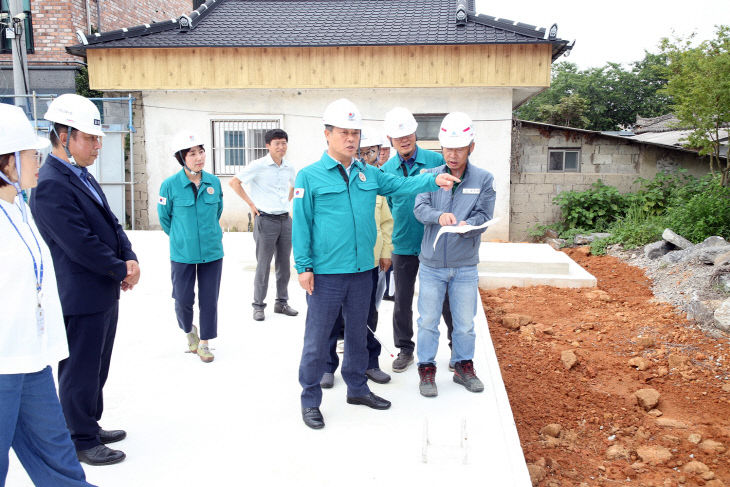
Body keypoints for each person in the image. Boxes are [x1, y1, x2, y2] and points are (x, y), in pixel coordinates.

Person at [293, 98, 459, 429]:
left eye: (355, 133)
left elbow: (400, 184)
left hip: (362, 272)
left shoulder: (370, 174)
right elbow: (301, 223)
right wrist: (304, 266)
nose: (351, 139)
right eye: (343, 132)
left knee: (358, 334)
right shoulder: (309, 177)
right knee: (317, 338)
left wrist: (432, 180)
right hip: (326, 274)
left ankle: (357, 388)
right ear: (327, 134)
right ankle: (310, 400)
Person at [30, 94, 140, 466]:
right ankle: (79, 438)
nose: (97, 145)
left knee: (97, 364)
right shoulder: (50, 184)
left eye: (98, 138)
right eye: (90, 138)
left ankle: (88, 423)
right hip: (81, 293)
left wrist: (130, 256)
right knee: (80, 369)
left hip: (102, 290)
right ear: (63, 136)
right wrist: (118, 268)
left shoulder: (79, 174)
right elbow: (80, 244)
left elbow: (110, 224)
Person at [0, 104, 96, 487]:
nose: (38, 161)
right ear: (5, 160)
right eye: (30, 155)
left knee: (57, 457)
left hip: (31, 358)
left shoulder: (18, 207)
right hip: (3, 361)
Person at [413, 112, 496, 397]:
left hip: (464, 266)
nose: (453, 154)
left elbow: (485, 213)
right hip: (432, 265)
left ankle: (463, 367)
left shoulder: (484, 179)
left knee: (464, 323)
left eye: (459, 148)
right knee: (427, 321)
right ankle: (426, 368)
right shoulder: (428, 176)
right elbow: (420, 209)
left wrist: (468, 225)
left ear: (471, 147)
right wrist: (440, 217)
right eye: (448, 148)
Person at [380, 107, 453, 373]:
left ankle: (456, 346)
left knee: (444, 296)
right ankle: (405, 348)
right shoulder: (386, 169)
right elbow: (389, 205)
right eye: (398, 136)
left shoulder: (436, 162)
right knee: (402, 299)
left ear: (415, 132)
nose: (404, 140)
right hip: (403, 243)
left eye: (408, 133)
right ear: (390, 138)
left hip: (435, 242)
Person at [320, 128, 393, 389]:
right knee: (331, 318)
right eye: (364, 151)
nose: (365, 155)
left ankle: (369, 363)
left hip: (369, 262)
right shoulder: (326, 176)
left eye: (370, 151)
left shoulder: (374, 180)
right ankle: (327, 366)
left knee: (367, 316)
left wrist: (385, 252)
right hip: (335, 264)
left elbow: (386, 221)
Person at [158, 131, 224, 363]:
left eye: (201, 151)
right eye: (192, 153)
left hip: (212, 251)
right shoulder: (169, 186)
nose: (199, 157)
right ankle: (189, 331)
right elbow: (165, 218)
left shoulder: (213, 183)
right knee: (183, 299)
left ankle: (205, 343)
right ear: (182, 158)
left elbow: (217, 212)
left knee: (209, 299)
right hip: (182, 253)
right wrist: (181, 237)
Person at [229, 129, 298, 321]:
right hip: (265, 220)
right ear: (268, 145)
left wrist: (286, 201)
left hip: (285, 220)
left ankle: (281, 303)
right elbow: (234, 182)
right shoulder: (258, 165)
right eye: (277, 143)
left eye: (284, 143)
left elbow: (295, 185)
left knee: (284, 265)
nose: (281, 147)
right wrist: (252, 204)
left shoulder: (289, 167)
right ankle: (258, 305)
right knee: (263, 264)